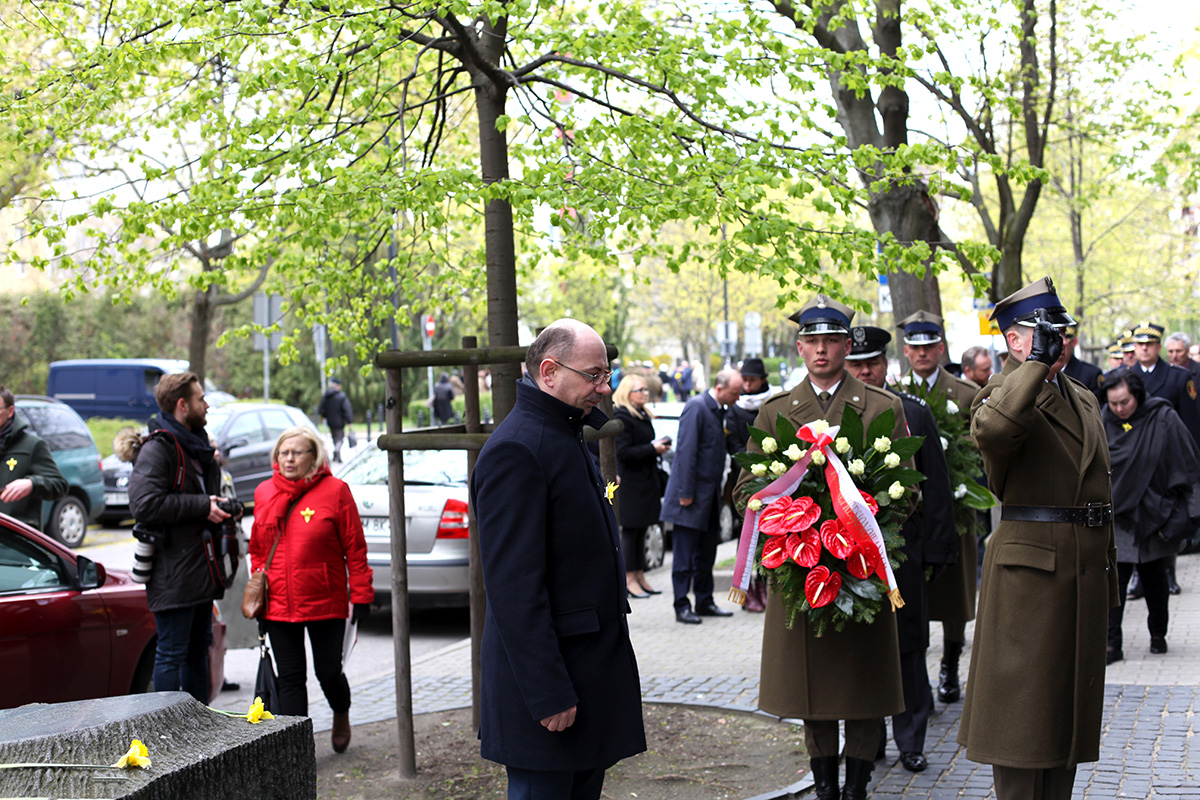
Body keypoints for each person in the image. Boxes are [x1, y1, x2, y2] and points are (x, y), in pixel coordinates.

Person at [734, 296, 908, 800]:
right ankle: (826, 784)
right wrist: (790, 527)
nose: (822, 350)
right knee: (809, 688)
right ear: (799, 347)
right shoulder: (775, 411)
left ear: (847, 346)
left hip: (861, 568)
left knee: (864, 685)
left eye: (832, 340)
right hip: (801, 566)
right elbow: (747, 490)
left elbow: (907, 490)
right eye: (812, 341)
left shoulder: (882, 407)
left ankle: (857, 785)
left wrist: (863, 523)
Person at [470, 319, 645, 799]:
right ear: (549, 371)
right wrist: (548, 691)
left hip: (582, 675)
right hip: (550, 691)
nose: (604, 388)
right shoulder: (517, 449)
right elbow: (514, 588)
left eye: (606, 374)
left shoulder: (562, 433)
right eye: (593, 375)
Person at [960, 276, 1118, 800]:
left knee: (1064, 725)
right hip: (1030, 581)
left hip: (1080, 572)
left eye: (1061, 331)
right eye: (1044, 332)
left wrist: (1108, 579)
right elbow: (995, 431)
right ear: (1013, 340)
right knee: (1022, 729)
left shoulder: (1082, 396)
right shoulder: (1000, 393)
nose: (1058, 341)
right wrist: (1032, 365)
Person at [846, 326, 957, 774]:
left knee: (909, 646)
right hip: (849, 555)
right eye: (856, 365)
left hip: (903, 551)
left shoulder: (911, 411)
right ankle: (867, 741)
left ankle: (911, 740)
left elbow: (937, 485)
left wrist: (939, 548)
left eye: (872, 363)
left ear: (886, 364)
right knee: (863, 648)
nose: (865, 372)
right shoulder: (834, 416)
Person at [249, 425, 373, 752]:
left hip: (325, 601)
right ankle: (297, 751)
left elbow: (355, 548)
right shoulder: (264, 492)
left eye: (297, 452)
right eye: (283, 453)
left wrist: (362, 595)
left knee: (328, 673)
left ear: (314, 456)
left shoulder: (336, 491)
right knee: (290, 679)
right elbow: (258, 549)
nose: (289, 459)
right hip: (278, 604)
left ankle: (341, 711)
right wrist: (259, 592)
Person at [125, 372, 232, 703]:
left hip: (198, 567)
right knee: (172, 652)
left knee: (198, 649)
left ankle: (198, 723)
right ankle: (169, 727)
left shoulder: (195, 443)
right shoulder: (160, 447)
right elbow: (144, 505)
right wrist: (203, 506)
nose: (207, 404)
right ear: (183, 405)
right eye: (201, 398)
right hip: (172, 571)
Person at [896, 309, 981, 706]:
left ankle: (950, 664)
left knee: (953, 593)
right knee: (912, 596)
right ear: (906, 352)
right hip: (908, 511)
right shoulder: (893, 393)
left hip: (954, 507)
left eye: (929, 346)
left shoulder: (964, 393)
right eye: (915, 347)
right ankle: (918, 678)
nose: (922, 353)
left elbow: (978, 449)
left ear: (941, 348)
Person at [1100, 368, 1200, 663]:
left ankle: (1158, 634)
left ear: (1139, 396)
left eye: (1125, 402)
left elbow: (1187, 462)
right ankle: (1111, 644)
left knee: (1156, 581)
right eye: (1114, 403)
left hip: (1155, 514)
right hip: (1118, 517)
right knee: (1114, 584)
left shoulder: (1163, 417)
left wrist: (1188, 513)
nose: (1119, 409)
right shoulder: (1101, 420)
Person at [660, 368, 744, 624]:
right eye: (734, 393)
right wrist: (685, 493)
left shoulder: (719, 409)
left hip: (709, 496)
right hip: (691, 497)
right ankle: (681, 605)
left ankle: (704, 601)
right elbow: (686, 452)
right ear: (719, 388)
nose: (738, 398)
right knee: (684, 555)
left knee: (707, 552)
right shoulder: (697, 407)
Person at [1124, 321, 1200, 596]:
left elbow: (1190, 424)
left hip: (1166, 461)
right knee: (1133, 518)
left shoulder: (1179, 378)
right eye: (1140, 344)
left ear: (1159, 347)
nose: (1144, 349)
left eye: (1149, 344)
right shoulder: (1124, 377)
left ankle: (1169, 572)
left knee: (1167, 516)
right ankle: (1137, 575)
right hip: (1133, 461)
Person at [612, 374, 671, 599]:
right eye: (640, 390)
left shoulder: (642, 413)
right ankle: (629, 579)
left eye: (647, 390)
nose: (645, 394)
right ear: (628, 393)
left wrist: (656, 448)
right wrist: (652, 448)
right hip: (631, 483)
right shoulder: (622, 416)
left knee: (642, 529)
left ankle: (639, 575)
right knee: (630, 531)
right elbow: (623, 453)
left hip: (646, 480)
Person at [724, 357, 773, 612]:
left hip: (772, 480)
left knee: (768, 534)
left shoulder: (771, 404)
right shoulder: (735, 408)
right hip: (744, 479)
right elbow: (732, 444)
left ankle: (764, 584)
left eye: (752, 380)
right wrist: (751, 461)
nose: (748, 385)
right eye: (745, 380)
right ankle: (746, 589)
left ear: (762, 379)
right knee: (745, 534)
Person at [0, 387, 68, 528]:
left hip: (16, 537)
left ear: (10, 411)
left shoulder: (32, 445)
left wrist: (32, 484)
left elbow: (59, 486)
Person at [318, 378, 354, 463]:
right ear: (338, 386)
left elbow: (322, 409)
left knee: (334, 437)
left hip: (330, 421)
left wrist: (325, 416)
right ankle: (337, 450)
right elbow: (346, 409)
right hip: (340, 422)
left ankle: (336, 455)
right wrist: (349, 421)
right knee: (340, 438)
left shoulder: (326, 396)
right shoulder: (341, 396)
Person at [1061, 326, 1103, 394]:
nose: (1060, 345)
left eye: (1065, 341)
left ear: (1075, 342)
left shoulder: (1091, 374)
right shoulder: (1045, 372)